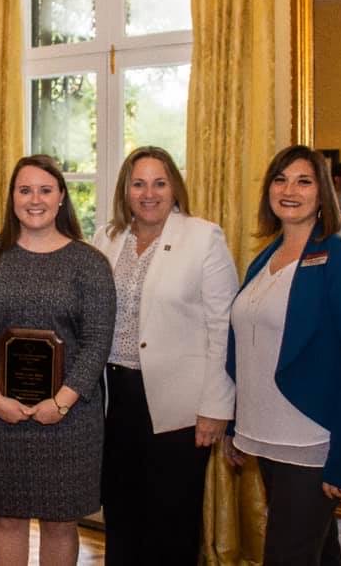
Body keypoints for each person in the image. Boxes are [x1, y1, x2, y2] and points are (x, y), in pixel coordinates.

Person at [224, 145, 341, 566]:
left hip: (312, 440)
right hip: (265, 434)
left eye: (304, 181)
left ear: (322, 193)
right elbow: (247, 351)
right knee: (319, 553)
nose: (290, 190)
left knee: (287, 555)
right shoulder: (264, 259)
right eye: (280, 179)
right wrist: (235, 424)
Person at [0, 154, 116, 566]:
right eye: (24, 190)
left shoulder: (90, 263)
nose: (35, 199)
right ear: (12, 198)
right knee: (5, 519)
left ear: (62, 196)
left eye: (45, 190)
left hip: (71, 418)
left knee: (61, 522)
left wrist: (60, 403)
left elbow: (97, 342)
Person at [91, 146, 238, 564]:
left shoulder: (202, 237)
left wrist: (216, 407)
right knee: (121, 515)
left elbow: (222, 328)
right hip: (114, 400)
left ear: (175, 188)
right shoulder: (107, 238)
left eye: (159, 183)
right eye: (138, 183)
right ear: (125, 190)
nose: (149, 193)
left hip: (179, 409)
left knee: (171, 521)